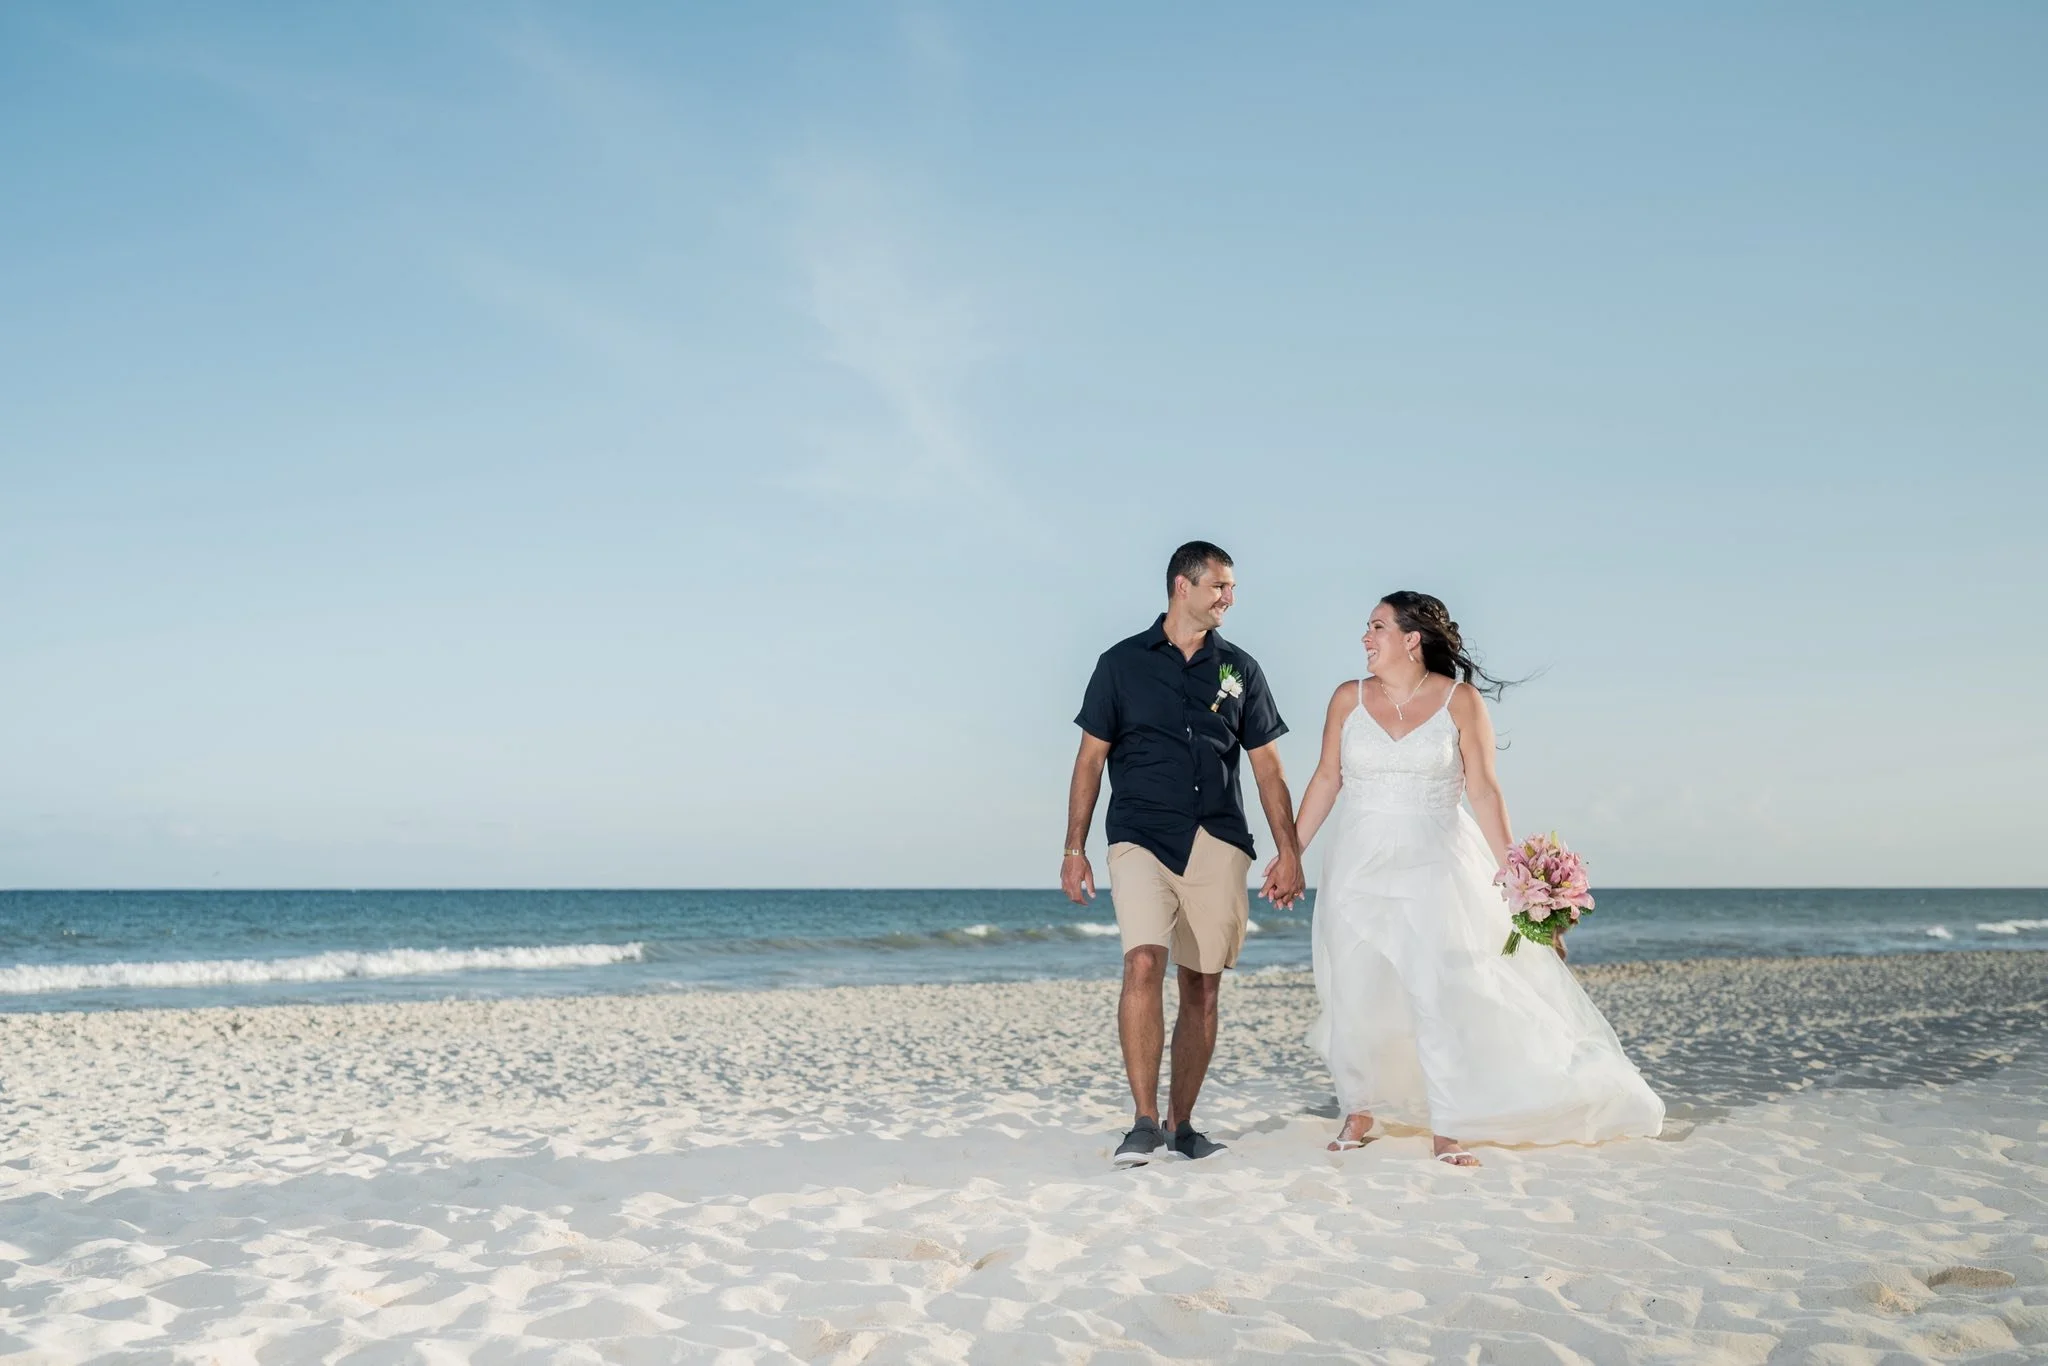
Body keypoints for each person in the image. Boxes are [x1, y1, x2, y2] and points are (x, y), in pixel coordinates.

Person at [1287, 592, 1663, 1164]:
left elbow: (1484, 790)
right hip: (1357, 864)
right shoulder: (1347, 698)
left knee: (1437, 989)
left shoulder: (1459, 701)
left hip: (1435, 862)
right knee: (1355, 988)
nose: (1365, 637)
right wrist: (1290, 851)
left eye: (1377, 627)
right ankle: (1358, 1111)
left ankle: (1449, 1124)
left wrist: (1519, 878)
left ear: (1412, 639)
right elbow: (1324, 779)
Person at [1062, 541, 1306, 1168]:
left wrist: (1290, 852)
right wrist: (1074, 848)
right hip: (1139, 834)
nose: (1229, 598)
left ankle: (1183, 1123)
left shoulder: (1242, 671)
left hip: (1218, 838)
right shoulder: (1119, 664)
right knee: (1143, 961)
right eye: (1219, 586)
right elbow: (1090, 759)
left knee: (1200, 987)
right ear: (1182, 586)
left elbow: (1268, 768)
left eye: (1231, 588)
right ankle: (1143, 1122)